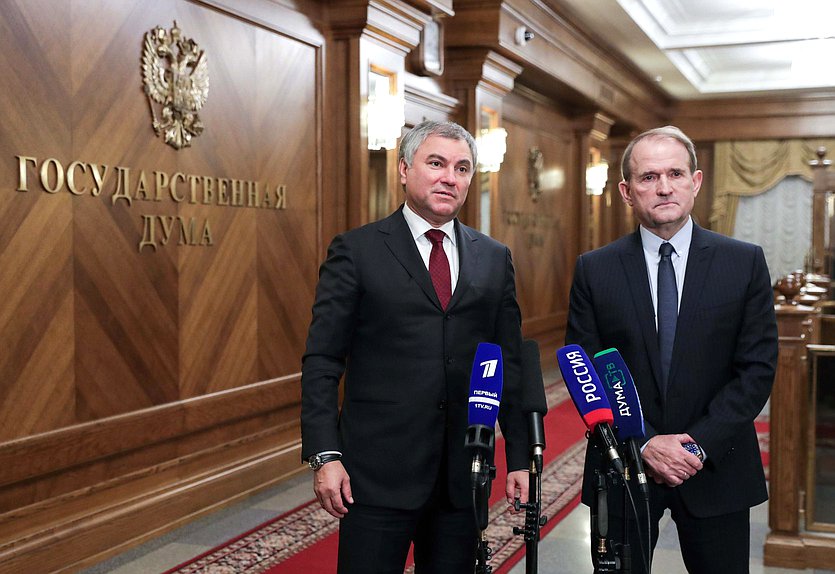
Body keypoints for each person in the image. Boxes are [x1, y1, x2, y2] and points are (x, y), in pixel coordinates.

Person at [300, 120, 530, 573]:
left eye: (462, 168)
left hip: (463, 472)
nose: (450, 176)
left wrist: (519, 457)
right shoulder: (357, 251)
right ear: (404, 170)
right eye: (437, 163)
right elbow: (323, 360)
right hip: (376, 473)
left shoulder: (494, 257)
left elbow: (509, 362)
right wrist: (325, 455)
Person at [565, 125, 777, 573]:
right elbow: (586, 371)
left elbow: (756, 370)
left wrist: (696, 446)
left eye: (676, 174)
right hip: (623, 465)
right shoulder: (594, 270)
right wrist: (643, 444)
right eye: (648, 177)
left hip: (717, 466)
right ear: (626, 191)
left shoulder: (744, 263)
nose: (663, 187)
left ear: (695, 182)